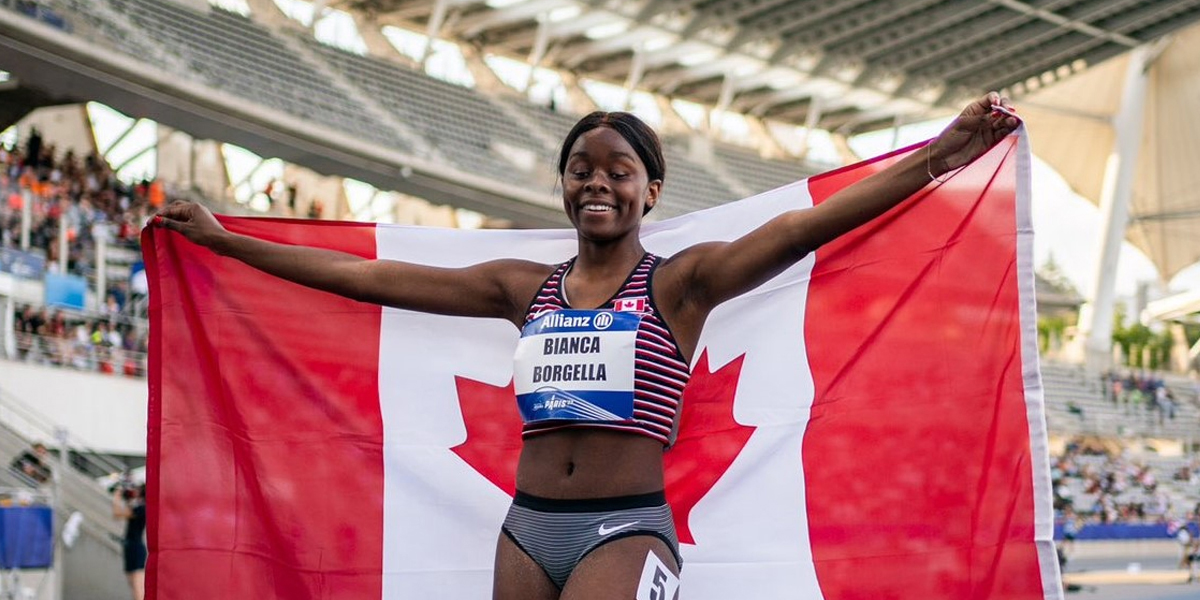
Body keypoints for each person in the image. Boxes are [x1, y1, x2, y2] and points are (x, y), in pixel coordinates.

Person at [153, 92, 1019, 599]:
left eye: (617, 170)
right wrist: (226, 241)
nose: (596, 181)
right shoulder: (521, 289)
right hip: (526, 528)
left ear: (651, 191)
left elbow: (805, 228)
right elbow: (365, 282)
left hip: (625, 529)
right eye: (580, 169)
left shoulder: (681, 284)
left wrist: (935, 160)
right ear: (564, 187)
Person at [112, 481, 147, 600]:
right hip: (131, 547)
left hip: (136, 549)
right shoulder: (138, 507)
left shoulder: (142, 509)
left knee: (138, 587)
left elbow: (117, 514)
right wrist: (128, 500)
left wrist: (116, 498)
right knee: (133, 584)